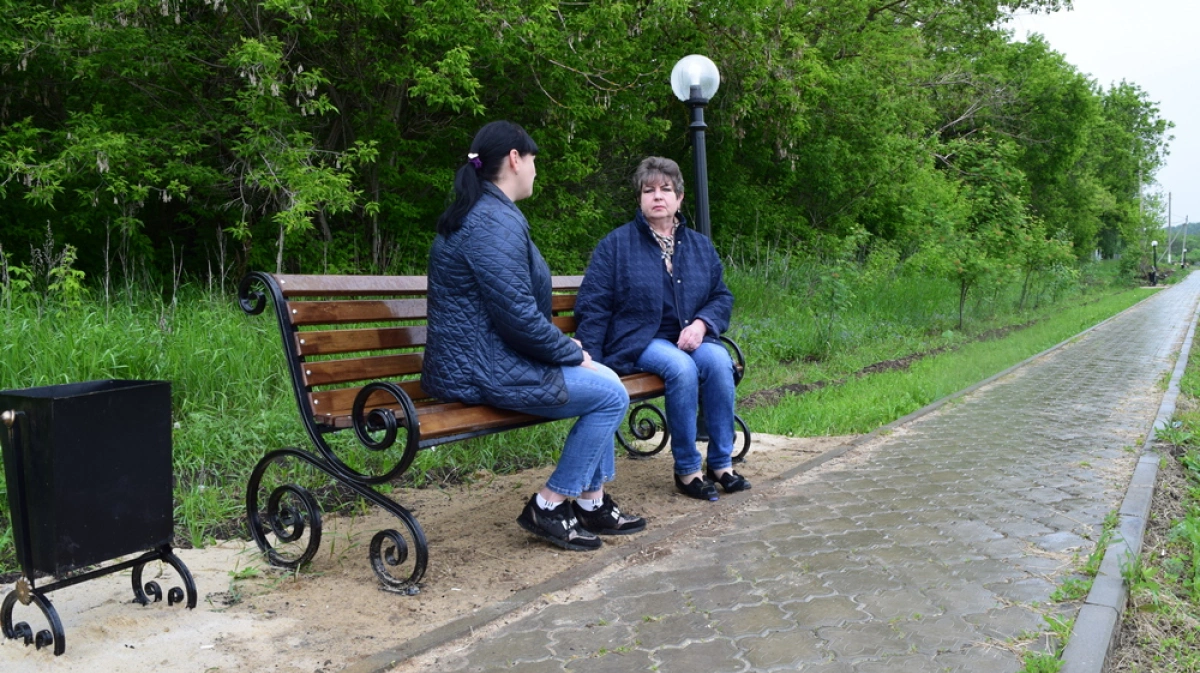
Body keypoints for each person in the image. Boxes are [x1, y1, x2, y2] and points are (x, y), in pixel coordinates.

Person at [423, 121, 645, 552]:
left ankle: (591, 501)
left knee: (607, 381)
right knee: (610, 394)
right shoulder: (489, 221)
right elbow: (519, 317)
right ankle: (549, 504)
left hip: (488, 360)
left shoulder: (489, 213)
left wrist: (568, 352)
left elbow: (512, 312)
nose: (535, 170)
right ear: (513, 159)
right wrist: (567, 350)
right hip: (480, 371)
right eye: (533, 159)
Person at [575, 156, 749, 501]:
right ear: (640, 199)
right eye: (649, 190)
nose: (658, 196)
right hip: (640, 339)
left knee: (718, 363)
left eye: (665, 189)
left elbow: (720, 295)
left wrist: (702, 324)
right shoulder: (616, 245)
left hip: (690, 336)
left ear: (679, 198)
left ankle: (720, 464)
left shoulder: (699, 245)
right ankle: (687, 469)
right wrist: (590, 357)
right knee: (681, 368)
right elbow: (593, 303)